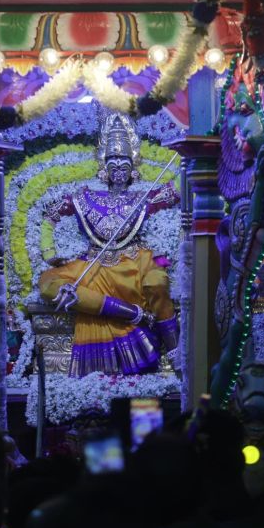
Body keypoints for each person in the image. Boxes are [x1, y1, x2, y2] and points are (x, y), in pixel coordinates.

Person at [38, 112, 179, 375]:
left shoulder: (143, 198)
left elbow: (176, 191)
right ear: (104, 166)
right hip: (94, 262)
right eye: (113, 164)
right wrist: (50, 253)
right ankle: (132, 313)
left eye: (124, 164)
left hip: (135, 259)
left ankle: (176, 353)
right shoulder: (85, 197)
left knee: (157, 281)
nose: (118, 171)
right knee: (48, 282)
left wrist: (188, 154)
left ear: (133, 167)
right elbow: (51, 215)